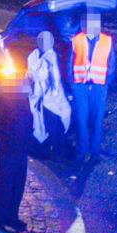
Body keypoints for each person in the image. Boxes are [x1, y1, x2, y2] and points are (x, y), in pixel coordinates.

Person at [70, 9, 116, 161]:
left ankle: (95, 151)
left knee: (97, 120)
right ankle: (81, 150)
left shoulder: (106, 40)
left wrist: (105, 84)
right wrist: (72, 83)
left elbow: (111, 64)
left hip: (99, 86)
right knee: (81, 119)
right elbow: (69, 62)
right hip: (80, 86)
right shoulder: (76, 40)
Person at [0, 78, 32, 232]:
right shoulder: (0, 100)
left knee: (17, 186)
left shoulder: (23, 100)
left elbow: (28, 121)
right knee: (3, 187)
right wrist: (0, 140)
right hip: (7, 151)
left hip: (21, 151)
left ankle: (12, 217)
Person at [26, 30, 71, 159]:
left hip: (53, 98)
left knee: (54, 126)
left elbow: (49, 76)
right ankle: (46, 148)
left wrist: (33, 76)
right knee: (41, 123)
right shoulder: (34, 55)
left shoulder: (52, 58)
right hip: (40, 97)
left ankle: (59, 152)